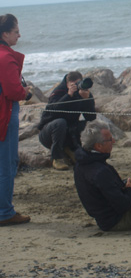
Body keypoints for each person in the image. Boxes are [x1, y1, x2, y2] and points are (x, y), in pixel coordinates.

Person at [0, 14, 31, 226]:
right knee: (7, 164)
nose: (19, 35)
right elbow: (12, 90)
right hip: (5, 113)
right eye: (16, 31)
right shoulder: (5, 57)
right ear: (5, 34)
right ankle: (5, 212)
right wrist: (25, 92)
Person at [38, 71, 96, 170]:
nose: (77, 87)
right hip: (48, 134)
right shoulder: (58, 92)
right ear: (67, 84)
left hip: (69, 133)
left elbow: (91, 117)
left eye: (78, 84)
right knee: (60, 122)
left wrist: (87, 100)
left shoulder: (82, 93)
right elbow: (53, 112)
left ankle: (74, 150)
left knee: (88, 125)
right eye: (74, 84)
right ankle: (56, 158)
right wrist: (68, 95)